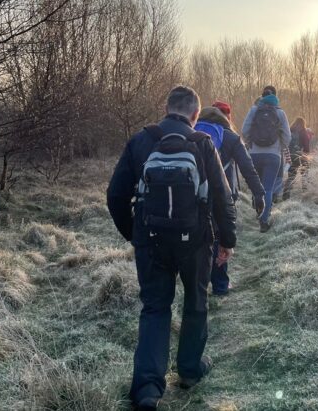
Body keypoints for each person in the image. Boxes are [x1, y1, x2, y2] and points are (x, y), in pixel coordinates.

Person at [106, 86, 237, 411]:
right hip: (195, 242)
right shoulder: (203, 143)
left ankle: (148, 389)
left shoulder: (141, 140)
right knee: (195, 302)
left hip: (150, 241)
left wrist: (133, 234)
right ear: (195, 115)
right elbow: (222, 198)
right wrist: (228, 241)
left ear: (165, 108)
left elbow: (115, 195)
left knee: (155, 308)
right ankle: (190, 370)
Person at [196, 104, 265, 296]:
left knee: (197, 237)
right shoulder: (231, 137)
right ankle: (220, 285)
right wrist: (259, 194)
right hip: (221, 196)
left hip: (193, 196)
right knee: (220, 238)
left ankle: (198, 283)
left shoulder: (190, 133)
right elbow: (247, 167)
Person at [241, 85, 291, 232]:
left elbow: (244, 130)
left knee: (257, 187)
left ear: (262, 97)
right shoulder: (280, 113)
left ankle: (257, 209)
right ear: (275, 97)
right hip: (273, 156)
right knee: (268, 189)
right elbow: (287, 136)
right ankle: (264, 221)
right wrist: (279, 148)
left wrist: (250, 144)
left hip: (254, 155)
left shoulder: (254, 110)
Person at [284, 117, 312, 200]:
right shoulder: (303, 132)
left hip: (290, 156)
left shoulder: (290, 130)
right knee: (304, 174)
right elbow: (306, 147)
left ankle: (286, 195)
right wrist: (307, 156)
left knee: (291, 176)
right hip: (301, 155)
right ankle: (305, 194)